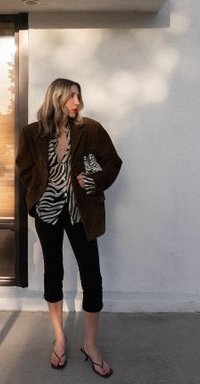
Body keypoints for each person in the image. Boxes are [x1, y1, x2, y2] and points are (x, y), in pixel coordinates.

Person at [16, 78, 122, 378]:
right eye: (70, 96)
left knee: (91, 275)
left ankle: (90, 345)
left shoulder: (91, 130)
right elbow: (23, 167)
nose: (77, 101)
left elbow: (112, 162)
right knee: (53, 271)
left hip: (81, 212)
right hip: (48, 212)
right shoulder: (33, 133)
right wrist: (39, 192)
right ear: (56, 99)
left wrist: (93, 180)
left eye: (78, 95)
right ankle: (60, 338)